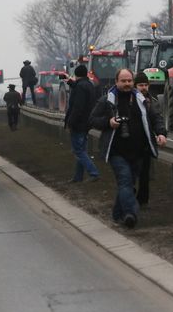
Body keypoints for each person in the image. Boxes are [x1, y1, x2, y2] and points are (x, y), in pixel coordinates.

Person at [89, 68, 166, 229]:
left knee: (129, 183)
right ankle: (130, 213)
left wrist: (160, 133)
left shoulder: (142, 100)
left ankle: (117, 214)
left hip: (138, 151)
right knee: (125, 181)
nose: (127, 84)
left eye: (129, 81)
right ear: (116, 82)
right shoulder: (107, 101)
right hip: (116, 151)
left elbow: (155, 118)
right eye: (123, 81)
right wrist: (108, 122)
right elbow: (93, 119)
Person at [64, 64, 100, 182]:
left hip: (78, 123)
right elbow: (80, 87)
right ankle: (78, 177)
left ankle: (94, 173)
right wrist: (70, 82)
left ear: (76, 74)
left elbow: (77, 107)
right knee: (81, 150)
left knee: (78, 151)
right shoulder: (89, 85)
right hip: (87, 122)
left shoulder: (80, 87)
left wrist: (70, 122)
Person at [133, 71, 165, 205]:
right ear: (135, 86)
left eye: (146, 85)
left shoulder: (152, 102)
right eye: (140, 85)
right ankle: (130, 195)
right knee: (131, 172)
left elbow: (157, 119)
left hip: (146, 143)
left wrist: (161, 133)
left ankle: (143, 201)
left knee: (145, 174)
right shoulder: (129, 100)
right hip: (131, 143)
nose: (144, 87)